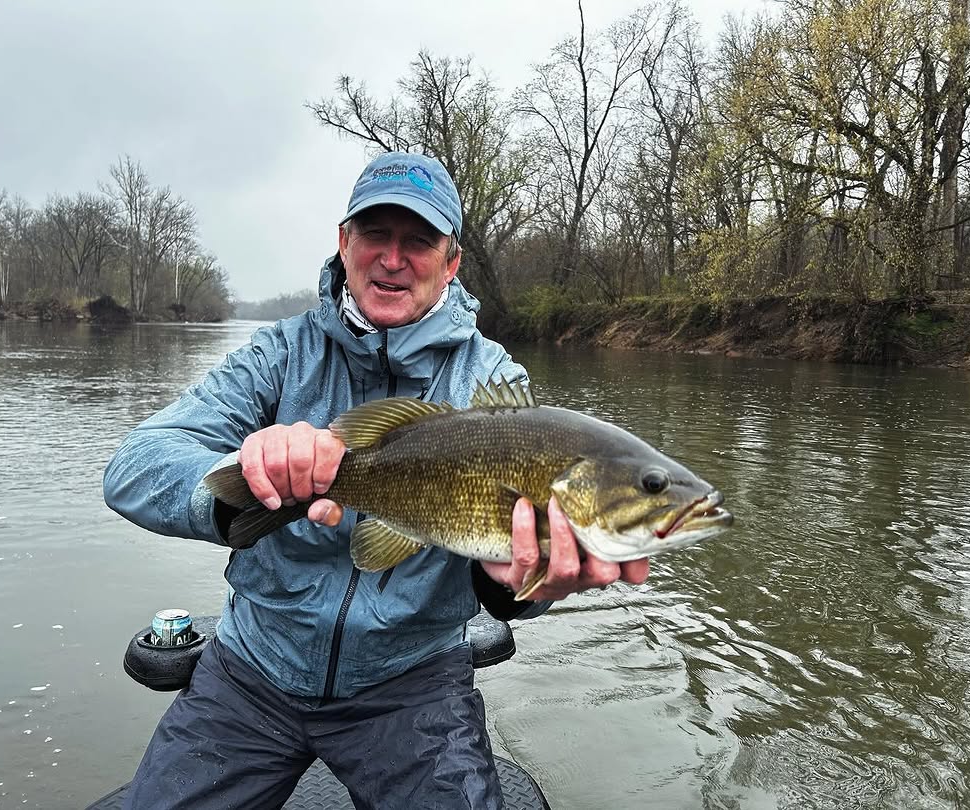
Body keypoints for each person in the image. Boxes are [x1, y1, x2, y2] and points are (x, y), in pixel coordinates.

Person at [102, 151, 649, 810]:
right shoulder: (279, 353)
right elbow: (135, 464)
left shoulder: (493, 384)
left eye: (418, 241)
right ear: (344, 242)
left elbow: (510, 553)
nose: (393, 258)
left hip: (411, 683)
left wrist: (518, 589)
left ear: (451, 263)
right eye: (376, 235)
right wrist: (244, 474)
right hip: (252, 670)